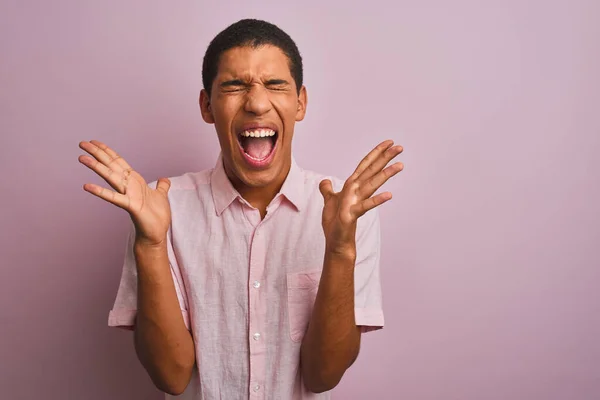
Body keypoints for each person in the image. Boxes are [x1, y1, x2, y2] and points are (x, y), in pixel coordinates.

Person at [78, 18, 403, 400]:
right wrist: (150, 246)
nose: (257, 102)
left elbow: (324, 376)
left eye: (275, 85)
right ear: (207, 106)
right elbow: (171, 377)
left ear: (300, 103)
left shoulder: (348, 212)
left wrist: (340, 249)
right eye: (234, 86)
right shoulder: (158, 208)